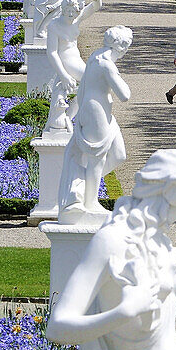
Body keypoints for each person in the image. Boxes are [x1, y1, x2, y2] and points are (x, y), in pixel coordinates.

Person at [46, 126, 176, 350]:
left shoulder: (161, 243)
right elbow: (57, 328)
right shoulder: (111, 241)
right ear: (175, 190)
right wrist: (122, 313)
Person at [58, 26, 133, 225]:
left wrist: (72, 114)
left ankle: (80, 186)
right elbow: (125, 95)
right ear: (122, 46)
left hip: (99, 112)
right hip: (96, 113)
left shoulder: (95, 56)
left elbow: (83, 88)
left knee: (118, 154)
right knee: (96, 160)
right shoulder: (106, 64)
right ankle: (89, 203)